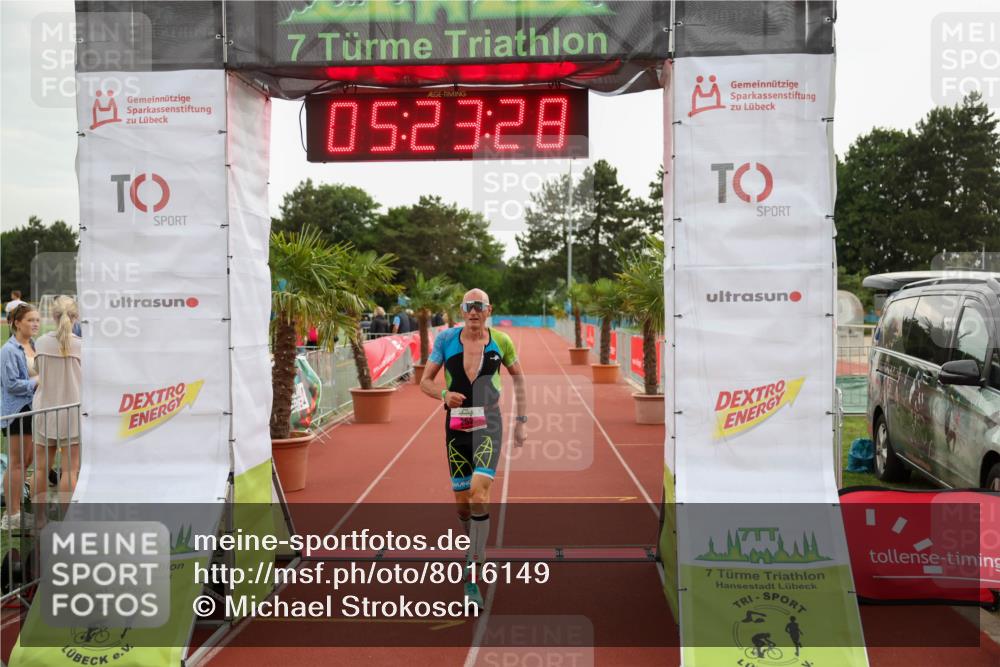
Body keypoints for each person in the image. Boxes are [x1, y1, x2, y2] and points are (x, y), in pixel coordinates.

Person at [419, 289, 526, 608]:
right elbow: (424, 381)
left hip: (489, 424)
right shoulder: (445, 341)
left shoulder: (501, 341)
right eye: (469, 307)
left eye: (480, 306)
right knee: (463, 503)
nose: (474, 311)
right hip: (456, 429)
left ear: (489, 309)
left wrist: (521, 420)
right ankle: (473, 542)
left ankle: (473, 572)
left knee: (480, 493)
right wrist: (443, 395)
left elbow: (519, 379)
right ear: (462, 310)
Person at [32, 296, 82, 521]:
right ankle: (64, 521)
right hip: (73, 411)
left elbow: (36, 370)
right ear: (76, 316)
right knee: (71, 470)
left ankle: (38, 519)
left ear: (52, 316)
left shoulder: (41, 342)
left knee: (40, 469)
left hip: (45, 410)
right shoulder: (83, 346)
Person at [1, 303, 41, 529]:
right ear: (17, 322)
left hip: (34, 408)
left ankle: (16, 508)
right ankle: (11, 515)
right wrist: (38, 382)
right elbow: (12, 385)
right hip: (17, 411)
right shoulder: (8, 350)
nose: (35, 324)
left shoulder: (34, 344)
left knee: (25, 461)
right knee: (16, 463)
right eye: (30, 320)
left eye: (36, 320)